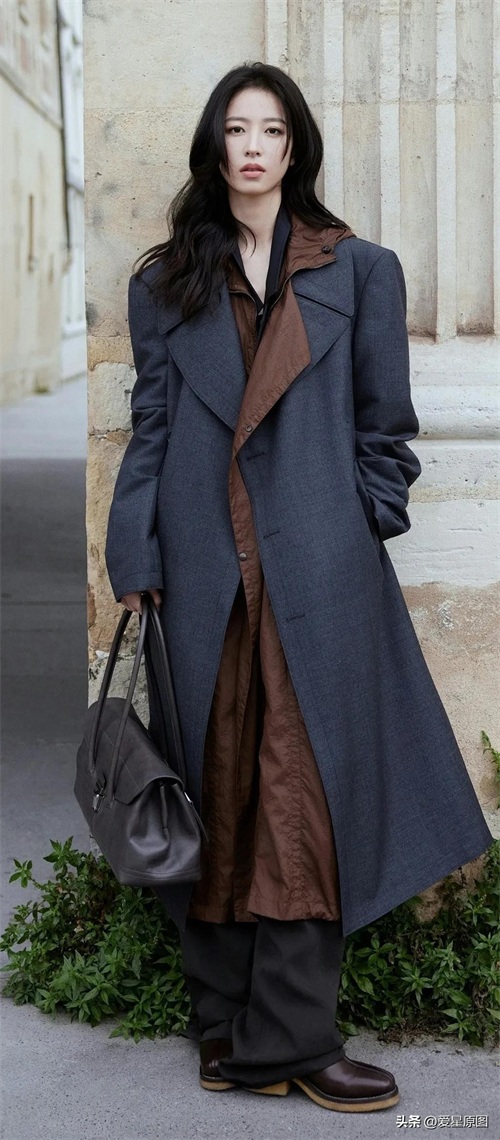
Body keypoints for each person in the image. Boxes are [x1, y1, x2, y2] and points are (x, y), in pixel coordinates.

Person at [104, 62, 494, 1113]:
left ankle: (291, 1037)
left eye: (270, 130)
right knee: (215, 786)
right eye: (236, 129)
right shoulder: (166, 282)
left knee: (300, 793)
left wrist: (359, 518)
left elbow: (384, 425)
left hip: (317, 575)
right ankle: (225, 1029)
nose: (252, 148)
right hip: (201, 573)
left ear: (295, 148)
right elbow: (152, 427)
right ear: (214, 145)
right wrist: (133, 556)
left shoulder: (359, 270)